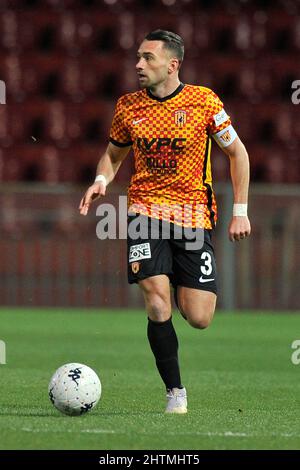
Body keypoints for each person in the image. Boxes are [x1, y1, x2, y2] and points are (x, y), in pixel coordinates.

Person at [79, 30, 251, 414]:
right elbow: (113, 154)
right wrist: (101, 180)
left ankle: (174, 281)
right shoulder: (128, 107)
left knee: (199, 317)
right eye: (138, 57)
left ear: (172, 65)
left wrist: (240, 211)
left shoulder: (203, 102)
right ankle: (175, 391)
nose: (138, 65)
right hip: (145, 212)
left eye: (147, 58)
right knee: (157, 305)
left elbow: (238, 154)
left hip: (193, 216)